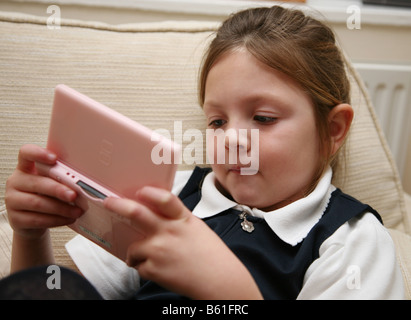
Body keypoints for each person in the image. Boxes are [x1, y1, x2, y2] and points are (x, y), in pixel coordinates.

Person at [4, 6, 404, 299]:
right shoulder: (169, 194)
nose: (231, 139)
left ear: (332, 130)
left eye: (263, 118)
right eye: (216, 122)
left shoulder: (351, 240)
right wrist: (30, 234)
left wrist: (229, 291)